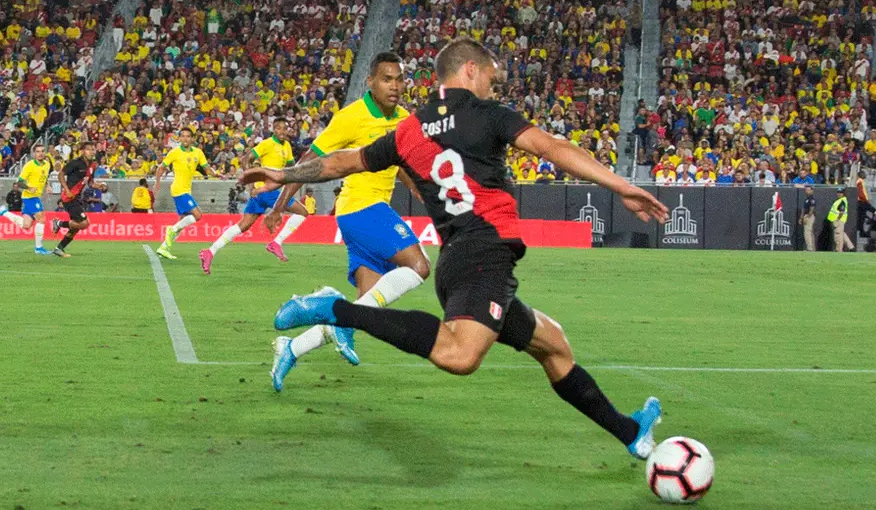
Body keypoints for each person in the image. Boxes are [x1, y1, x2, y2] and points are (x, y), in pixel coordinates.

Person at [241, 37, 669, 460]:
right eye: (490, 77)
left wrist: (282, 174)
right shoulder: (488, 114)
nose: (492, 87)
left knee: (553, 345)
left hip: (459, 262)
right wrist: (622, 186)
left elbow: (340, 162)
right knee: (460, 355)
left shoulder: (408, 130)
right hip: (485, 256)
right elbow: (553, 148)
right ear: (469, 70)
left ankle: (629, 431)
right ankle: (334, 309)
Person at [264, 52, 430, 391]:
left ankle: (290, 349)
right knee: (419, 266)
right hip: (360, 207)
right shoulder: (351, 117)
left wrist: (427, 196)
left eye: (399, 79)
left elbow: (402, 167)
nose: (395, 86)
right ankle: (328, 300)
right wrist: (281, 204)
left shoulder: (404, 120)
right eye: (387, 79)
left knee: (366, 313)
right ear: (370, 82)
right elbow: (311, 160)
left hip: (367, 213)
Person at [199, 118, 309, 273]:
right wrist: (250, 184)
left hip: (263, 193)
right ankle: (276, 242)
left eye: (285, 128)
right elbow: (245, 160)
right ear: (273, 129)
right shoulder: (267, 144)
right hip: (267, 191)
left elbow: (291, 167)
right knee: (303, 212)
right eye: (279, 128)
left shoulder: (287, 147)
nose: (283, 131)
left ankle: (210, 251)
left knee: (242, 226)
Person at [153, 127, 220, 260]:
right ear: (179, 138)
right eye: (182, 136)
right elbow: (161, 168)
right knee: (198, 215)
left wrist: (216, 174)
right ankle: (170, 230)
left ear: (192, 139)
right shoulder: (174, 152)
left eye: (188, 136)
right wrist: (157, 182)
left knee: (181, 223)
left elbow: (207, 168)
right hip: (178, 189)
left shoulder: (198, 152)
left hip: (187, 190)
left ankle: (164, 247)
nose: (185, 138)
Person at [51, 142, 105, 258]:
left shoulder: (92, 166)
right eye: (89, 149)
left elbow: (89, 182)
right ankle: (58, 223)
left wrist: (98, 186)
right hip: (69, 198)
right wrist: (67, 190)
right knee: (84, 223)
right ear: (82, 151)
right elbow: (60, 175)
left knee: (76, 227)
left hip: (78, 198)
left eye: (93, 149)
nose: (92, 151)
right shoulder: (75, 163)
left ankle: (59, 248)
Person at [0, 143, 53, 254]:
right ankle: (39, 248)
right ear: (34, 153)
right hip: (30, 197)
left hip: (36, 196)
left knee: (26, 225)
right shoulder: (29, 165)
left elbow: (45, 177)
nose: (40, 153)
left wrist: (48, 185)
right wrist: (29, 187)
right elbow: (19, 182)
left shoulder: (47, 164)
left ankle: (3, 212)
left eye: (42, 151)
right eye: (38, 151)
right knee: (42, 220)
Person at [828, 187, 854, 252]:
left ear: (843, 194)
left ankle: (839, 250)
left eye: (841, 193)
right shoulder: (839, 200)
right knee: (841, 234)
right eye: (838, 192)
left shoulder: (842, 201)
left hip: (839, 220)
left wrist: (837, 219)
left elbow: (841, 212)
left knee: (838, 235)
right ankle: (851, 247)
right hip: (839, 220)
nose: (839, 194)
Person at [800, 184, 816, 251]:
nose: (807, 191)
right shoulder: (807, 199)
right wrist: (801, 217)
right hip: (805, 215)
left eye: (808, 190)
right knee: (810, 232)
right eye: (806, 190)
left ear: (812, 191)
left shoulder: (812, 199)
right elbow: (803, 209)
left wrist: (807, 217)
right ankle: (812, 248)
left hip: (809, 216)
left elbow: (812, 209)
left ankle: (809, 248)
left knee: (807, 232)